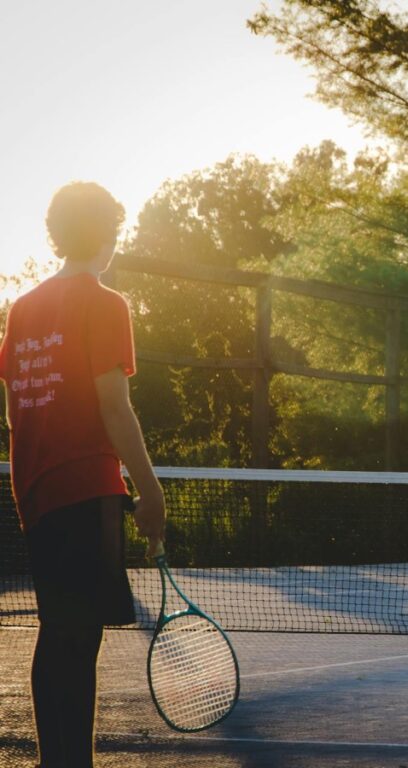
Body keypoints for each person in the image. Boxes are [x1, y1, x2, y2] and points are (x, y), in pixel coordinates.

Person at [0, 182, 165, 767]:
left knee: (57, 629)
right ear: (109, 234)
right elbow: (114, 406)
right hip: (87, 489)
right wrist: (150, 491)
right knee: (81, 635)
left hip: (37, 494)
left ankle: (57, 761)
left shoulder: (23, 309)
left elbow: (13, 406)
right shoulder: (106, 303)